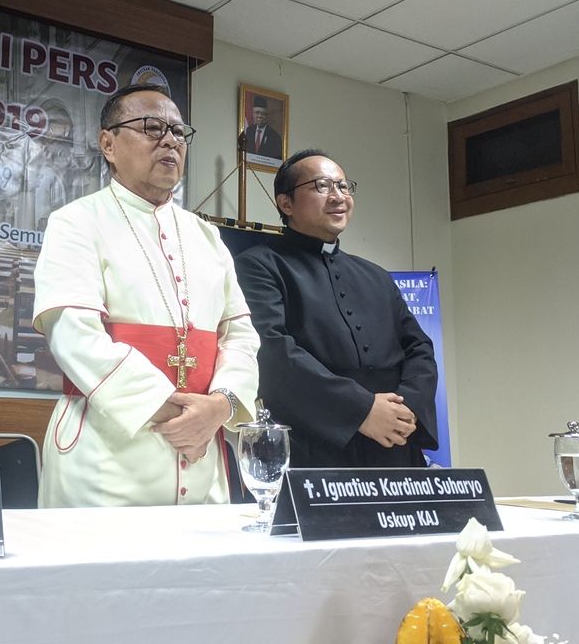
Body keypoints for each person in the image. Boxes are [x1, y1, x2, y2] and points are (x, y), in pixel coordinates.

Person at [33, 84, 259, 507]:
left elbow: (241, 336)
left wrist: (221, 407)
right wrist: (176, 413)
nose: (170, 140)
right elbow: (74, 336)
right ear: (108, 143)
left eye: (178, 131)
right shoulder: (77, 222)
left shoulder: (207, 237)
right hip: (105, 459)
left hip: (202, 454)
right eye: (152, 127)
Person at [234, 149, 437, 467]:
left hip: (395, 443)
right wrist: (362, 410)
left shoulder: (375, 275)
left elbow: (419, 348)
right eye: (322, 186)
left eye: (344, 186)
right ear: (286, 203)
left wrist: (406, 408)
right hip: (314, 446)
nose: (338, 196)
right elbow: (273, 350)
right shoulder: (258, 266)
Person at [242, 96, 283, 160]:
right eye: (257, 112)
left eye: (263, 113)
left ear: (267, 116)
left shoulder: (275, 137)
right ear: (253, 114)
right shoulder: (249, 131)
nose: (259, 116)